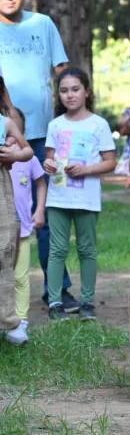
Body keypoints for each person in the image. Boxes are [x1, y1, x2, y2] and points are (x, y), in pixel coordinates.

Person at [0, 0, 77, 310]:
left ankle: (57, 290)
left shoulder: (42, 24)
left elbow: (63, 72)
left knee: (47, 214)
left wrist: (69, 122)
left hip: (43, 137)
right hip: (3, 138)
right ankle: (6, 297)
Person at [41, 68, 116, 321]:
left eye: (75, 89)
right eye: (64, 90)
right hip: (57, 198)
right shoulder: (55, 125)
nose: (70, 95)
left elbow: (110, 162)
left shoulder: (99, 124)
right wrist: (48, 165)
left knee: (87, 249)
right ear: (58, 95)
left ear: (87, 92)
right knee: (57, 250)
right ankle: (54, 303)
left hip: (86, 198)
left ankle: (87, 303)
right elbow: (49, 159)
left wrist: (86, 169)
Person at [6, 108, 43, 346]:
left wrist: (39, 210)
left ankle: (20, 321)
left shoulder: (30, 159)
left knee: (20, 276)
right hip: (3, 229)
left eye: (16, 130)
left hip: (23, 229)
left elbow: (41, 184)